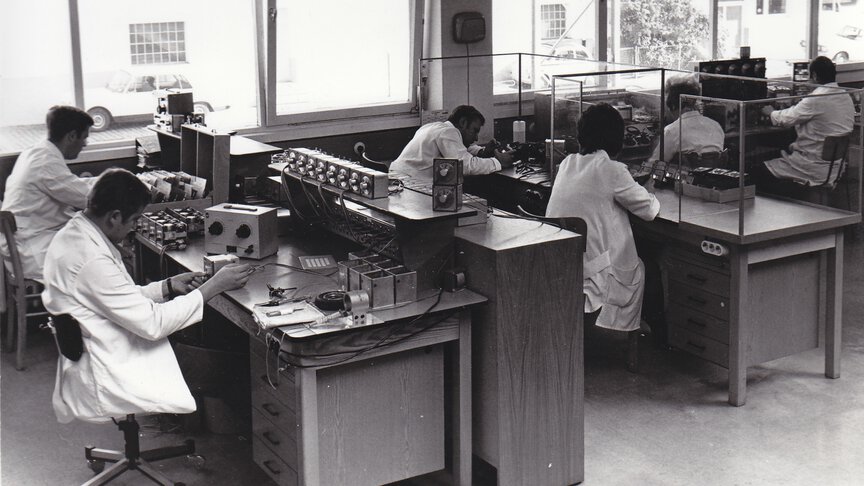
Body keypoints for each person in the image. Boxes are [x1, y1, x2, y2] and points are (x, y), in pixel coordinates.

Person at [44, 168, 254, 423]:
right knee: (237, 366)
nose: (134, 228)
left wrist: (165, 287)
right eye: (134, 220)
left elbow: (113, 297)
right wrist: (213, 286)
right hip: (112, 364)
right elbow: (153, 324)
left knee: (209, 346)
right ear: (114, 217)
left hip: (101, 343)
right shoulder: (90, 259)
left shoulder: (74, 233)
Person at [546, 103, 660, 335]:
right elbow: (649, 211)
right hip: (596, 276)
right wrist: (650, 189)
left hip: (564, 267)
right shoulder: (613, 170)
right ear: (616, 137)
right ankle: (655, 337)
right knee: (651, 263)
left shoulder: (567, 164)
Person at [1, 106, 98, 281]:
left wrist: (104, 180)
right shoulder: (46, 162)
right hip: (32, 250)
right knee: (102, 260)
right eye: (84, 137)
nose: (85, 144)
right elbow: (88, 198)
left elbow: (70, 184)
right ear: (71, 136)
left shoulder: (36, 152)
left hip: (25, 242)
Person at [755, 56, 855, 191]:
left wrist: (770, 112)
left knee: (755, 171)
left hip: (812, 167)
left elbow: (786, 119)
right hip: (835, 167)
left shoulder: (817, 98)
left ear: (814, 75)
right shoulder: (845, 95)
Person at [389, 105, 516, 180]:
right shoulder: (448, 133)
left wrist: (482, 152)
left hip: (398, 179)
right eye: (474, 131)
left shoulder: (433, 127)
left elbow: (457, 149)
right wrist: (499, 162)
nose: (476, 138)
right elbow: (465, 166)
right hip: (408, 183)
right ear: (463, 123)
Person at [650, 75, 725, 164]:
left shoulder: (671, 131)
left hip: (687, 177)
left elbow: (655, 163)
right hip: (715, 176)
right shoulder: (715, 125)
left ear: (672, 105)